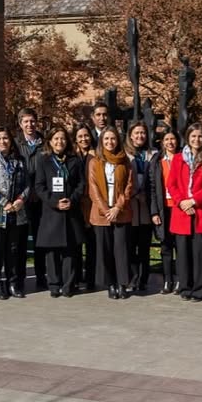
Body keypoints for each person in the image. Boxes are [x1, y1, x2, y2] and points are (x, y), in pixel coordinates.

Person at [167, 122, 202, 301]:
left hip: (201, 212)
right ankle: (185, 287)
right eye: (193, 136)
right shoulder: (178, 158)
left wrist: (194, 200)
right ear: (187, 138)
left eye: (200, 136)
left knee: (201, 254)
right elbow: (171, 184)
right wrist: (182, 202)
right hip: (182, 212)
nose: (197, 139)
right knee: (183, 254)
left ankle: (200, 289)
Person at [34, 126, 85, 297]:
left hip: (71, 211)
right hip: (52, 212)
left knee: (70, 251)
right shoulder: (43, 161)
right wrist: (55, 202)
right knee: (52, 251)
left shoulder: (75, 160)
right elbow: (39, 186)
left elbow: (81, 184)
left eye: (62, 138)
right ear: (50, 141)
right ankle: (54, 284)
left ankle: (68, 285)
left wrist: (72, 200)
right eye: (56, 138)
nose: (59, 142)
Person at [0, 127, 31, 300]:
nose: (2, 142)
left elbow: (27, 184)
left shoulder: (19, 159)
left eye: (5, 138)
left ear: (11, 141)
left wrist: (20, 200)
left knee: (13, 249)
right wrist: (5, 203)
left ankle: (13, 283)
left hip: (17, 211)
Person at [87, 126, 135, 299]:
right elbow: (93, 188)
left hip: (121, 212)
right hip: (102, 214)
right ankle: (111, 284)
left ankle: (122, 284)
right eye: (106, 139)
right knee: (105, 250)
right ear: (101, 141)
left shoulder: (125, 161)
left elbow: (129, 186)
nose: (110, 142)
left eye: (113, 138)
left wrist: (117, 207)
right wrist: (106, 210)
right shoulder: (95, 161)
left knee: (121, 250)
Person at [13, 108, 47, 290]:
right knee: (20, 241)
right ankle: (19, 279)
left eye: (32, 121)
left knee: (41, 240)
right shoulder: (15, 144)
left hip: (41, 199)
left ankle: (42, 276)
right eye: (26, 121)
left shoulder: (45, 143)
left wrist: (38, 190)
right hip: (21, 199)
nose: (30, 124)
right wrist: (25, 192)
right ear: (20, 124)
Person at [125, 121, 156, 293]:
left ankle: (143, 279)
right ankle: (132, 278)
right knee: (130, 246)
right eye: (136, 133)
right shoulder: (124, 154)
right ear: (130, 135)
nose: (139, 136)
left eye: (142, 133)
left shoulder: (153, 154)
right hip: (130, 207)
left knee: (144, 247)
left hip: (146, 208)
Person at [149, 129, 180, 294]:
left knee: (180, 246)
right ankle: (168, 280)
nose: (170, 142)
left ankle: (181, 279)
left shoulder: (182, 158)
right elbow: (152, 188)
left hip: (179, 208)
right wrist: (154, 212)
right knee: (165, 246)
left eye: (172, 139)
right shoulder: (157, 160)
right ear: (162, 142)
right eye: (167, 139)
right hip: (163, 209)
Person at [73, 123, 97, 290]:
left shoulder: (96, 155)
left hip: (92, 204)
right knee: (75, 244)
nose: (84, 139)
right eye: (80, 136)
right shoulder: (71, 155)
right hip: (75, 204)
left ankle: (90, 278)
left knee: (91, 244)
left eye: (86, 135)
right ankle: (75, 277)